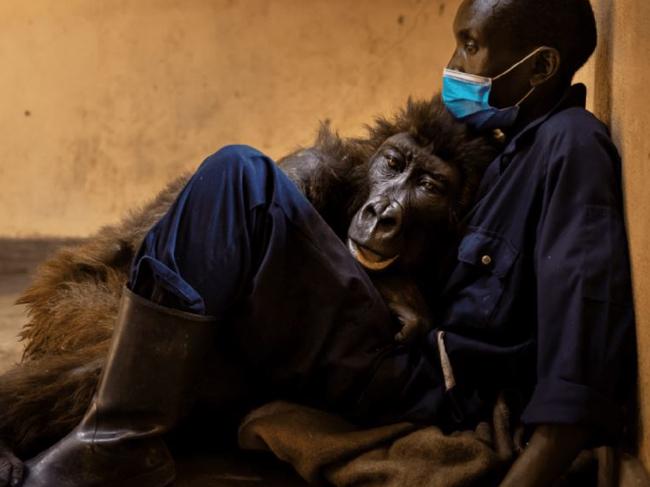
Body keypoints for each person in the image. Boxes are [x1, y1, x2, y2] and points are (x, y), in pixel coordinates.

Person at [18, 0, 636, 486]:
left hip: (422, 386)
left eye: (470, 46)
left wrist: (544, 456)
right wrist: (395, 284)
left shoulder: (570, 148)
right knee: (258, 200)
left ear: (541, 67)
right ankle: (106, 434)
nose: (454, 63)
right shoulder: (501, 146)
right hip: (394, 346)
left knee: (241, 180)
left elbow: (578, 352)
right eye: (457, 40)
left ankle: (114, 445)